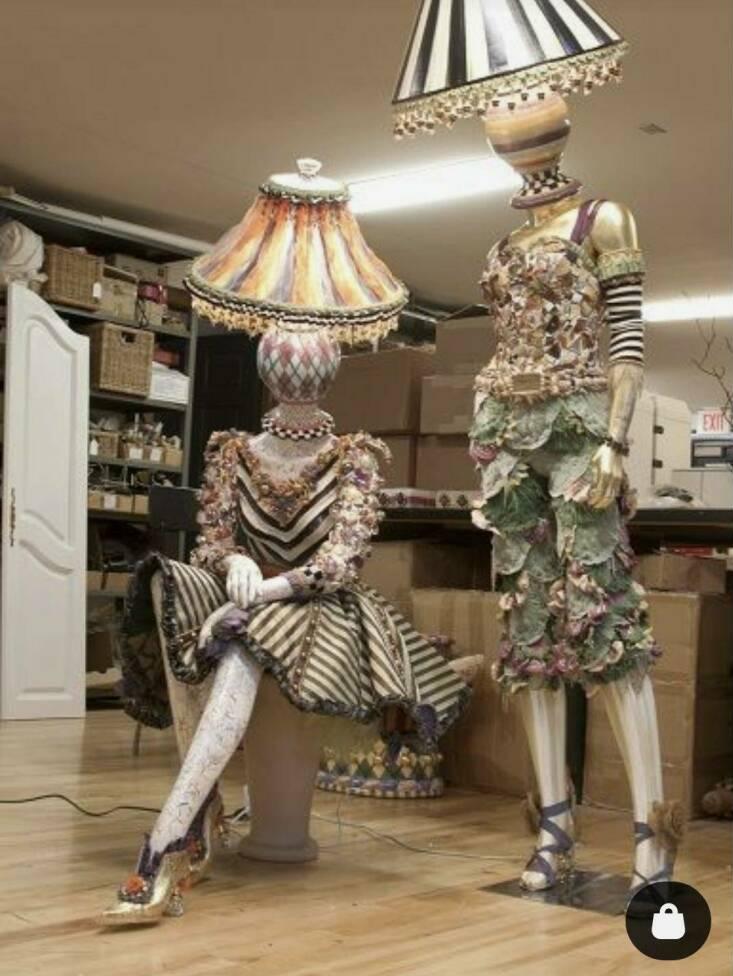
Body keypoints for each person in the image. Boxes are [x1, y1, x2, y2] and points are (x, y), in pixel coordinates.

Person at [102, 323, 470, 925]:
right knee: (168, 583)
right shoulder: (234, 452)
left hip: (318, 605)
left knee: (242, 646)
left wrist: (271, 588)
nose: (295, 387)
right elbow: (214, 540)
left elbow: (342, 560)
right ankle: (197, 815)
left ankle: (169, 838)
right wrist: (236, 563)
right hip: (246, 591)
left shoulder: (353, 457)